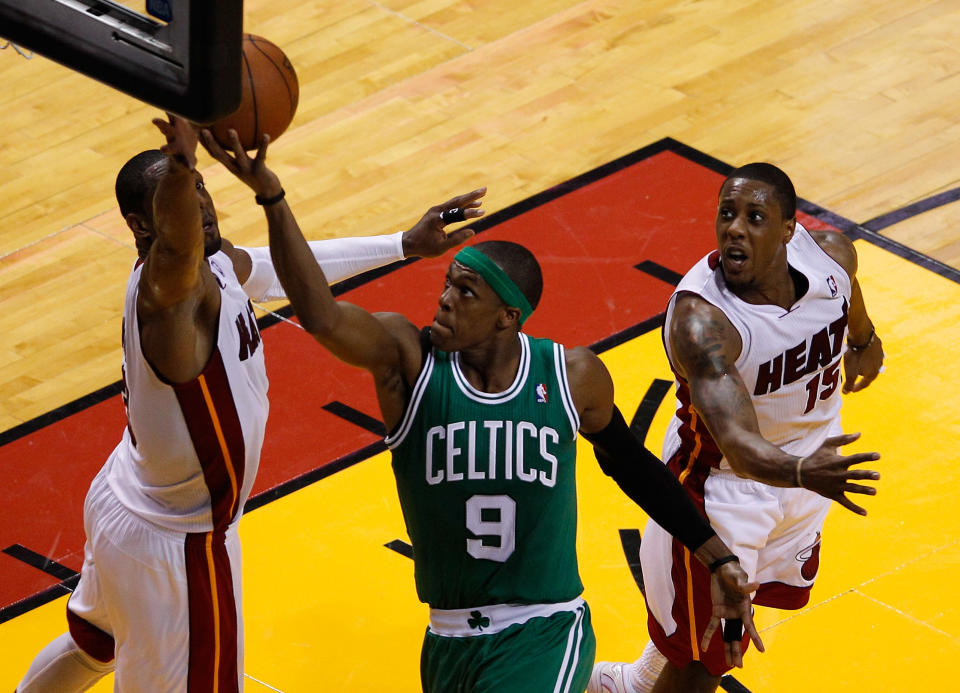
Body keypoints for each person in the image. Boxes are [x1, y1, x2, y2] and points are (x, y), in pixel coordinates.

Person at [256, 147, 768, 691]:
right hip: (449, 637)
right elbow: (320, 314)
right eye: (447, 284)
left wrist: (717, 559)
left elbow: (632, 465)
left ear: (508, 317)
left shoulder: (570, 376)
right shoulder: (407, 360)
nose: (445, 300)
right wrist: (272, 197)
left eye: (465, 291)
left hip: (544, 628)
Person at [15, 115, 475, 693]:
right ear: (141, 224)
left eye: (203, 187)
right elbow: (179, 241)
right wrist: (182, 166)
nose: (201, 205)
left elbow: (272, 268)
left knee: (91, 648)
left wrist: (402, 245)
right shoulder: (168, 295)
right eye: (182, 196)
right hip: (178, 544)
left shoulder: (215, 262)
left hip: (126, 495)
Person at [588, 163, 883, 693]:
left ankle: (628, 685)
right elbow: (741, 448)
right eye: (727, 214)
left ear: (789, 230)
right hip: (724, 489)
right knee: (707, 661)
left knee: (720, 623)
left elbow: (847, 291)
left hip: (805, 471)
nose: (734, 229)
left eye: (754, 217)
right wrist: (800, 470)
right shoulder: (704, 322)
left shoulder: (832, 256)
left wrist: (863, 340)